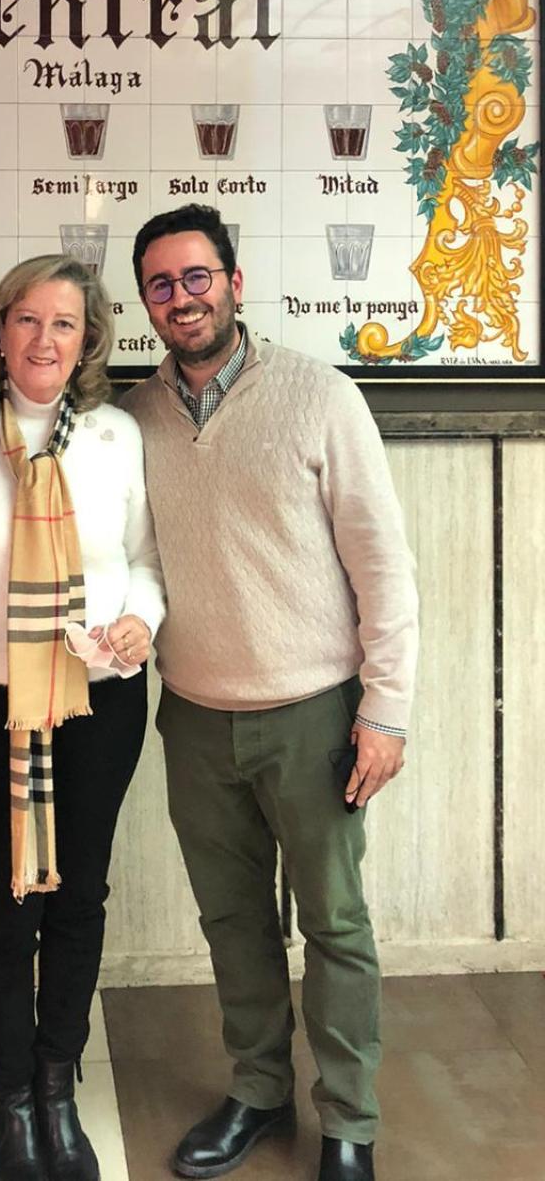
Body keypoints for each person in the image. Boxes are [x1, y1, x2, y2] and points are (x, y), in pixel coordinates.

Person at [123, 204, 418, 1181]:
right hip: (196, 717)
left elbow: (384, 565)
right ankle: (257, 1088)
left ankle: (349, 1120)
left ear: (235, 281)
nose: (181, 296)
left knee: (334, 922)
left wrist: (386, 708)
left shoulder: (319, 395)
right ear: (147, 301)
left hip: (315, 716)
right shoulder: (135, 416)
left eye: (196, 275)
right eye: (160, 283)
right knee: (233, 917)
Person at [0, 254, 165, 1181]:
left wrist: (143, 619)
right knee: (2, 903)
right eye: (27, 319)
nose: (44, 339)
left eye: (64, 324)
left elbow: (145, 559)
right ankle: (11, 1095)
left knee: (80, 896)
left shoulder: (113, 436)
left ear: (88, 340)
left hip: (100, 704)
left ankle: (59, 1085)